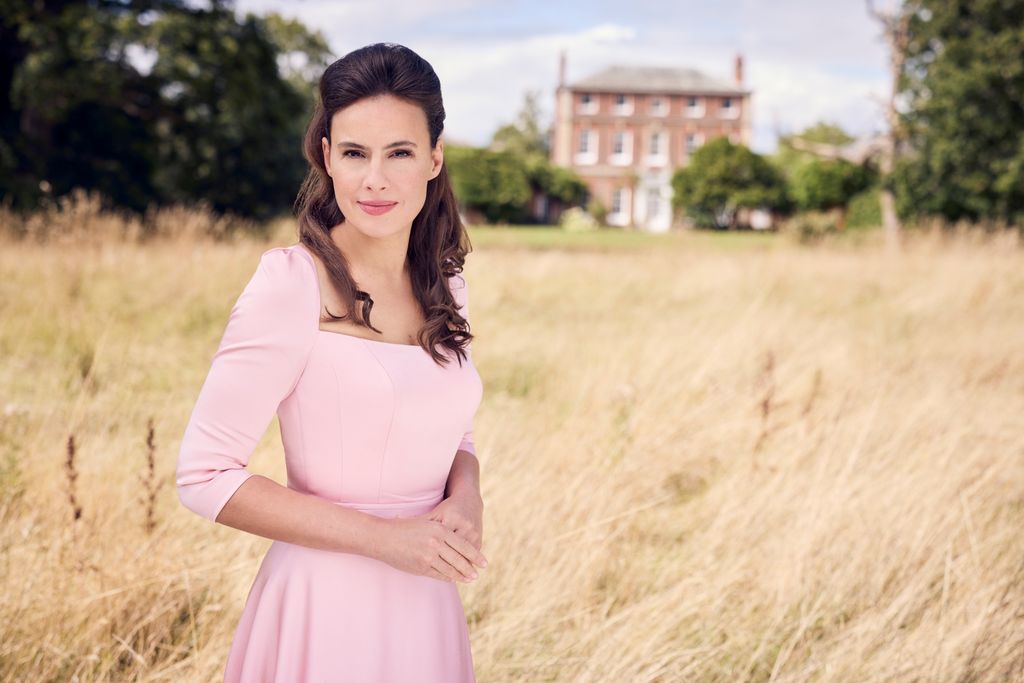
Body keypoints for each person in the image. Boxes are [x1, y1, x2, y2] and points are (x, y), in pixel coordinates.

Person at [175, 42, 487, 682]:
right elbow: (203, 475)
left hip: (425, 603)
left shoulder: (444, 285)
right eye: (354, 153)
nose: (375, 179)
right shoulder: (291, 284)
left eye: (399, 152)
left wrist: (469, 495)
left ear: (434, 158)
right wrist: (386, 541)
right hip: (324, 606)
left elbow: (452, 427)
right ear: (327, 158)